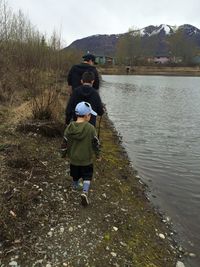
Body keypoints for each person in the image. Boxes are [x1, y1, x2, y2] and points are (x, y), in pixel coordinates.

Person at [61, 101, 101, 206]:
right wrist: (98, 155)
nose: (90, 117)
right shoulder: (91, 128)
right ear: (87, 116)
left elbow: (64, 142)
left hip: (73, 159)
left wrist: (63, 154)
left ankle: (75, 186)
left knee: (75, 174)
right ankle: (84, 192)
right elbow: (96, 143)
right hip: (86, 160)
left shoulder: (69, 127)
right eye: (90, 115)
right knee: (87, 176)